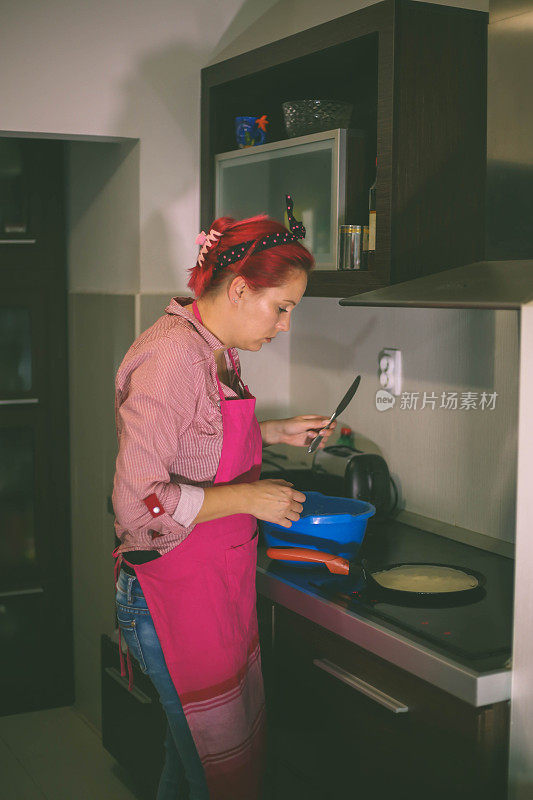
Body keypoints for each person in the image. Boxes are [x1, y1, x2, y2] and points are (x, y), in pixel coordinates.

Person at [112, 197, 336, 800]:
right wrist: (247, 498)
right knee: (214, 776)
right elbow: (140, 504)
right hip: (172, 599)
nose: (285, 324)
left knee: (193, 767)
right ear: (239, 289)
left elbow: (195, 443)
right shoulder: (170, 359)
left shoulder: (212, 346)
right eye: (281, 307)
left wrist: (273, 432)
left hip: (213, 588)